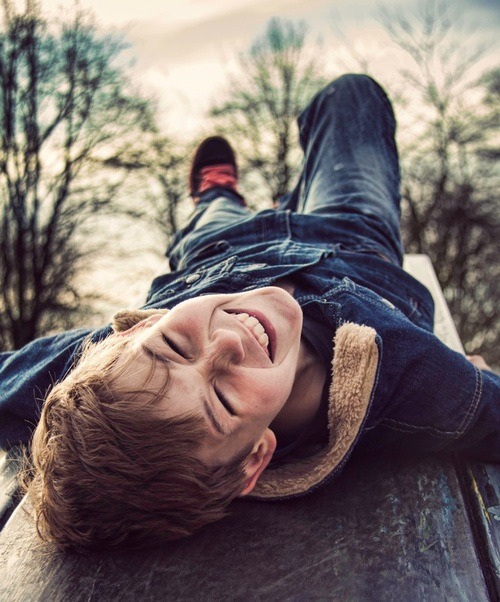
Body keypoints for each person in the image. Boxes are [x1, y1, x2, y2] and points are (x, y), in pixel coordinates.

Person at [1, 74, 498, 552]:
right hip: (350, 239)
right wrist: (476, 378)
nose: (226, 343)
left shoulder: (116, 375)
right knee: (351, 95)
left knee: (214, 212)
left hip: (221, 249)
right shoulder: (413, 383)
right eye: (223, 399)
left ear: (142, 326)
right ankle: (282, 200)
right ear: (255, 457)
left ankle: (216, 193)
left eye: (175, 345)